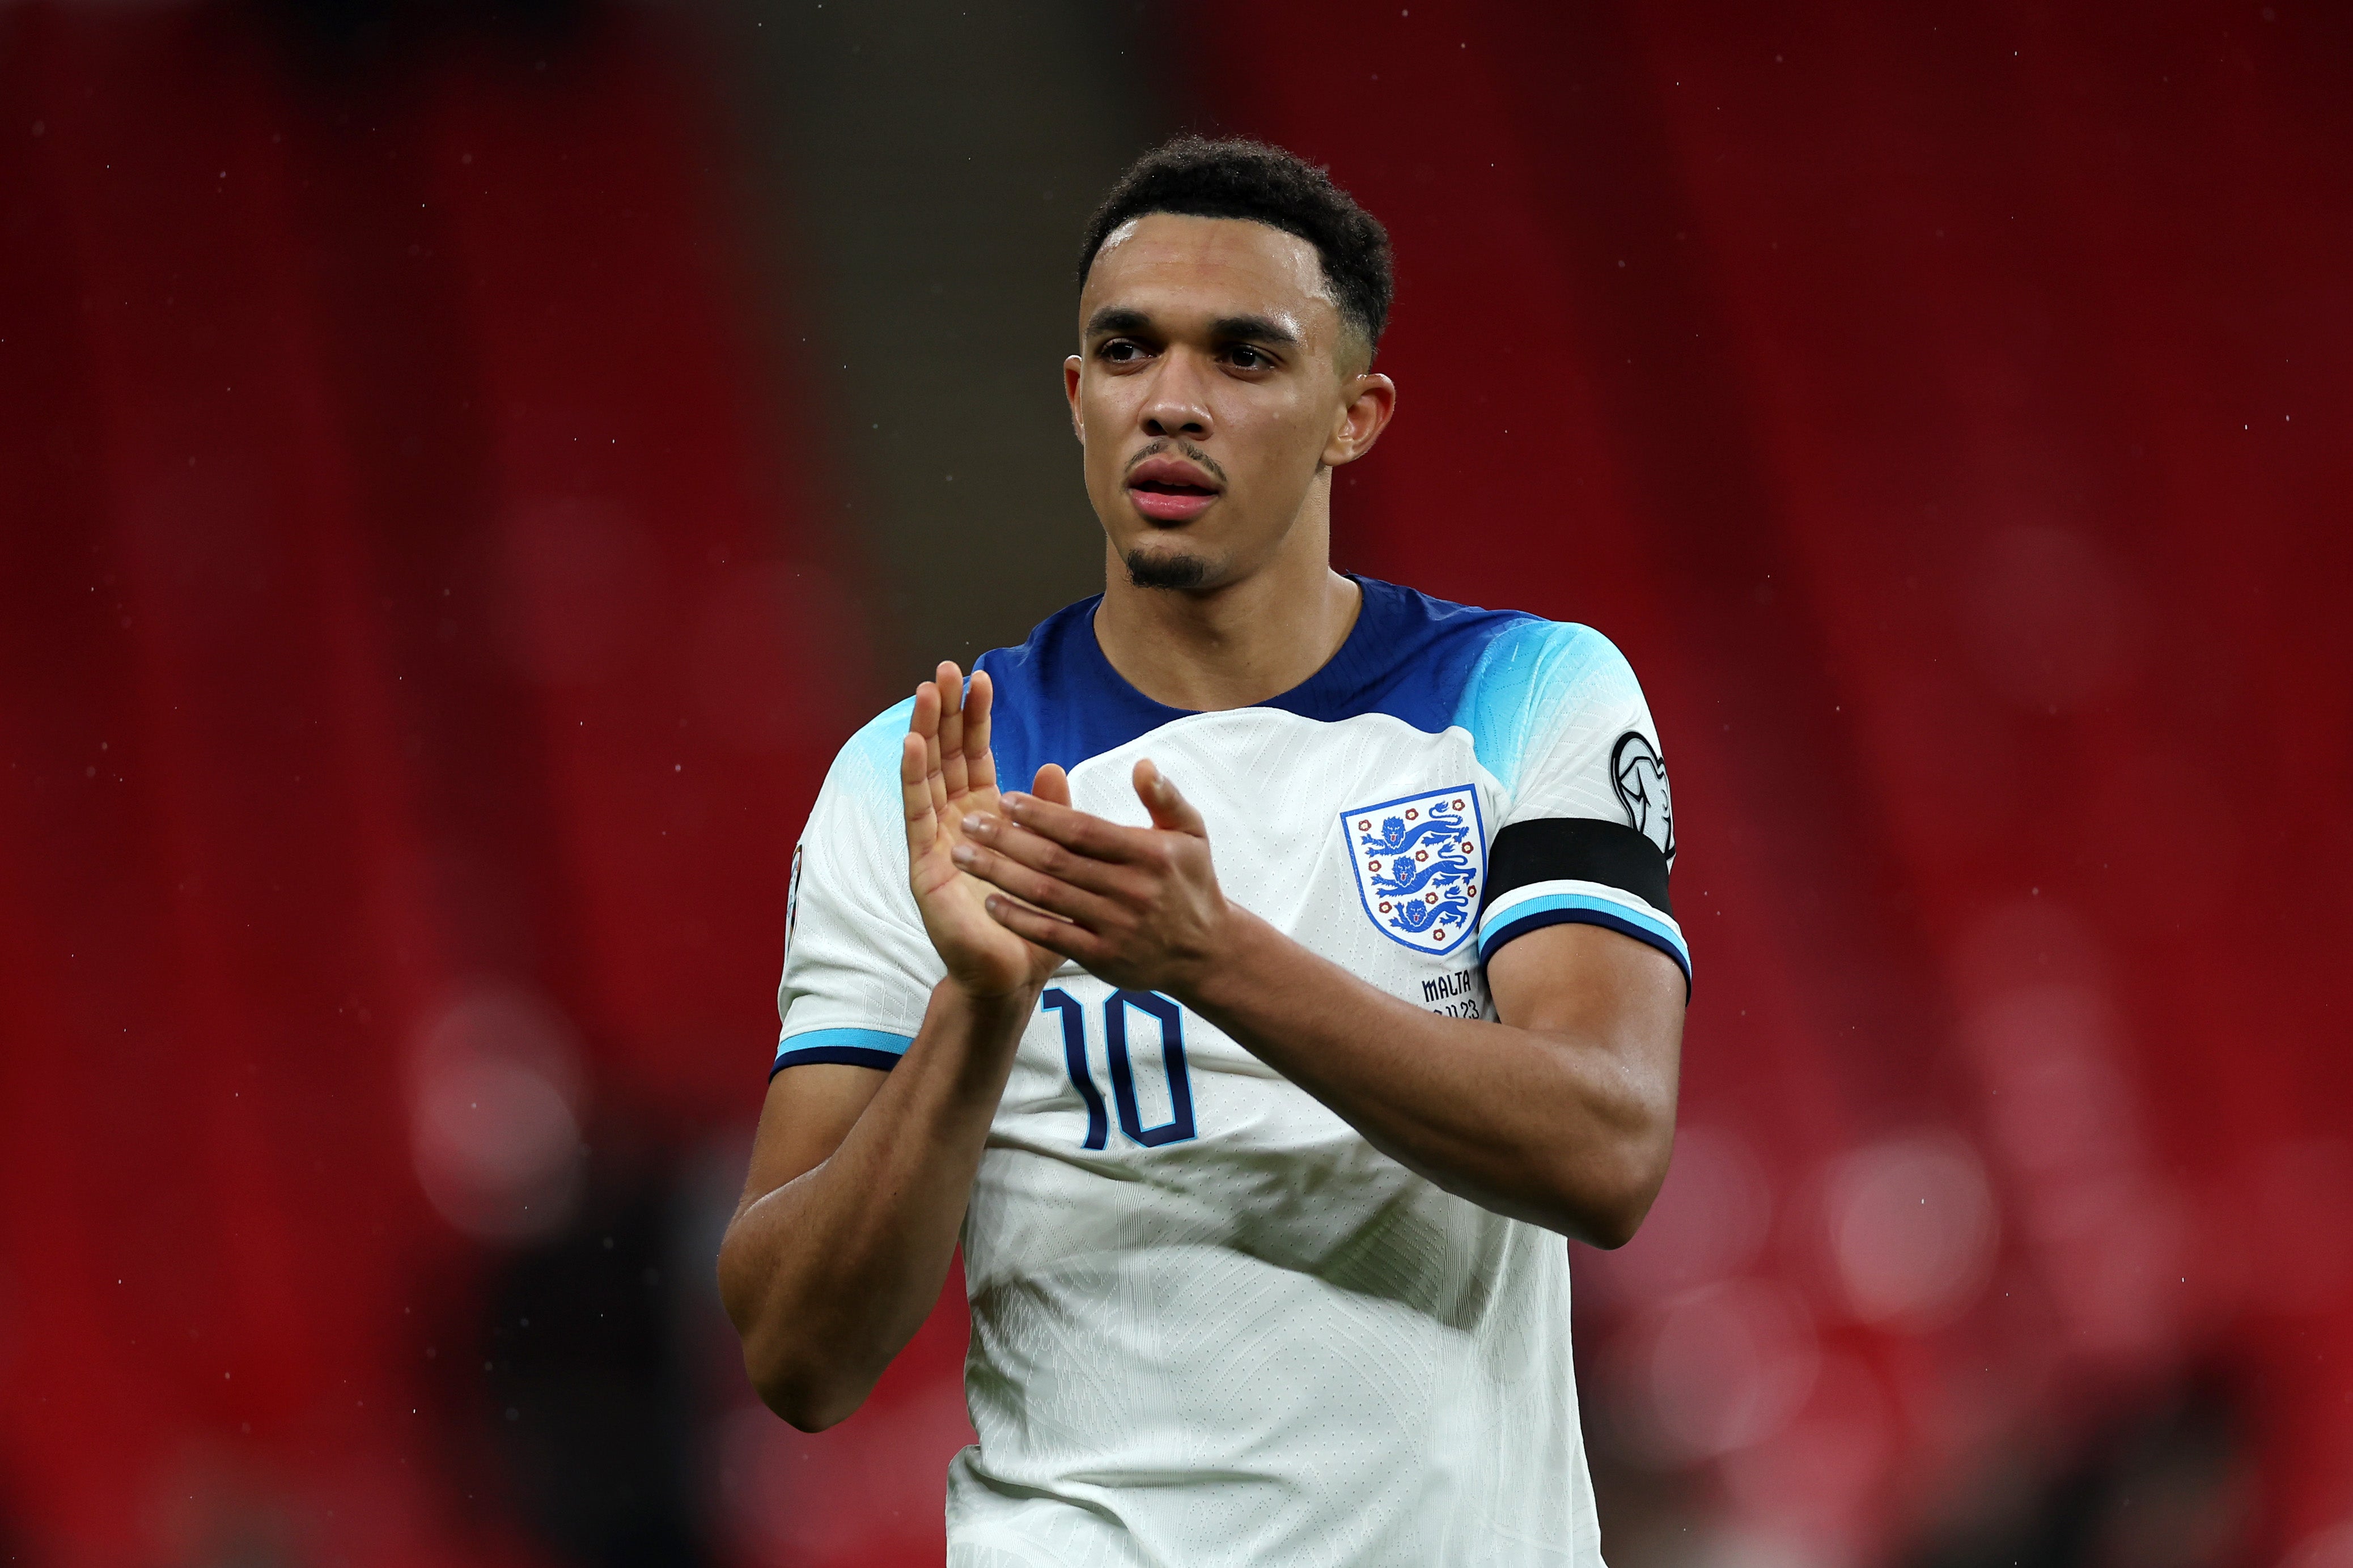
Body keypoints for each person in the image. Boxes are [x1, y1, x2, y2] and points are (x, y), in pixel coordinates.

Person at [717, 135, 1689, 1566]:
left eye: (1244, 356)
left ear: (1353, 415)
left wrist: (1213, 957)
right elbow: (799, 1358)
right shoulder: (920, 776)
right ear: (1075, 395)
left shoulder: (1527, 698)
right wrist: (976, 1014)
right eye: (1127, 351)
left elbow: (1608, 1149)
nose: (1173, 402)